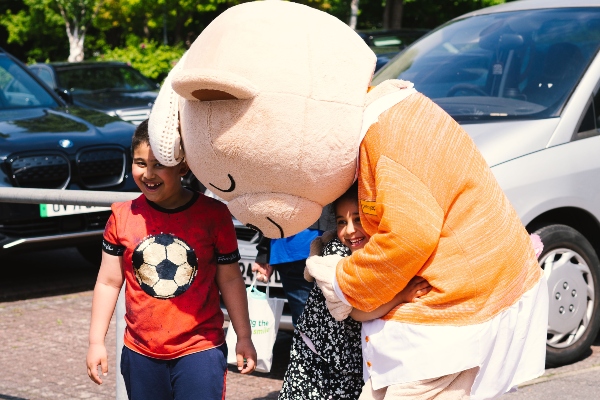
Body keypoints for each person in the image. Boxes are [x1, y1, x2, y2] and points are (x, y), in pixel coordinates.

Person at [85, 119, 256, 400]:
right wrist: (95, 342)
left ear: (183, 166)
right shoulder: (121, 216)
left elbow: (230, 278)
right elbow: (107, 282)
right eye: (140, 163)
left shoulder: (214, 215)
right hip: (140, 353)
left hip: (200, 350)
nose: (148, 173)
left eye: (159, 164)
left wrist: (244, 336)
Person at [278, 183, 432, 400]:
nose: (349, 230)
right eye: (342, 222)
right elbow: (356, 312)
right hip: (318, 365)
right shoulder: (336, 257)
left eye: (358, 219)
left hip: (345, 364)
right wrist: (401, 296)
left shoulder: (375, 252)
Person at [252, 206, 336, 326]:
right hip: (328, 240)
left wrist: (264, 252)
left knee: (307, 326)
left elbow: (268, 204)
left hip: (292, 245)